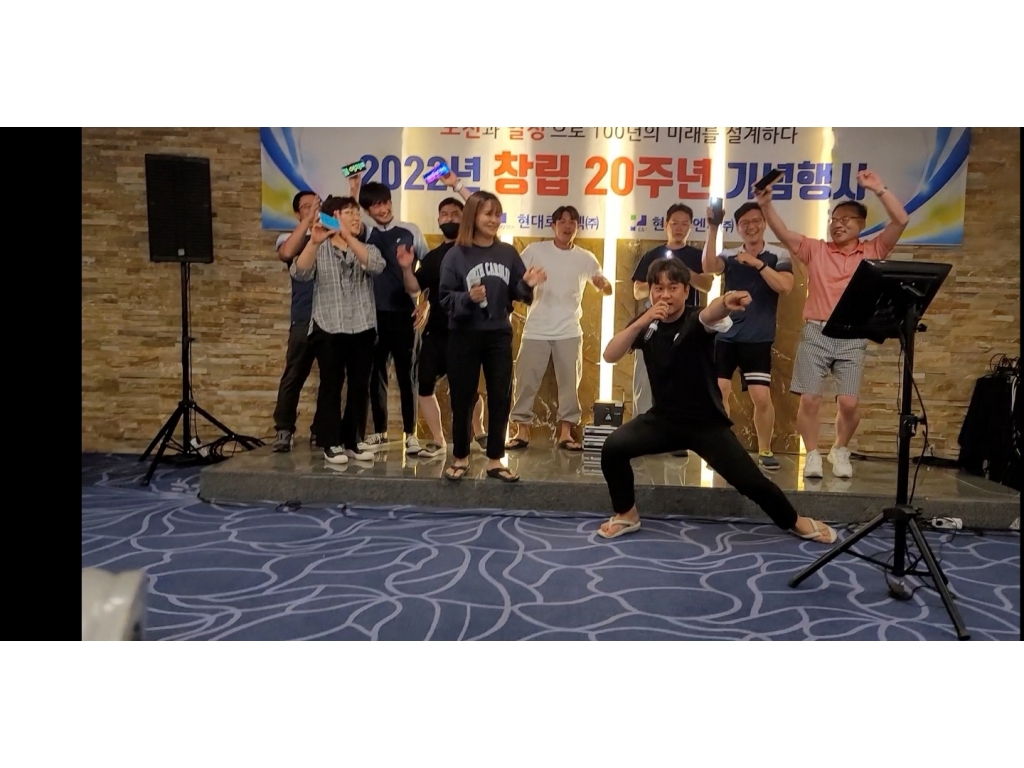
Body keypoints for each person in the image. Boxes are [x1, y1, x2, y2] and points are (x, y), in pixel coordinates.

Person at [597, 258, 837, 544]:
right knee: (613, 448)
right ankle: (627, 514)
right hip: (663, 420)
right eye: (658, 288)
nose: (665, 295)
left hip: (706, 425)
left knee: (751, 482)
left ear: (686, 291)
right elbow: (609, 355)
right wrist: (642, 320)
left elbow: (709, 315)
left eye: (673, 288)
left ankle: (795, 521)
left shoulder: (695, 320)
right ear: (650, 291)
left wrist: (725, 300)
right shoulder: (647, 327)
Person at [755, 169, 909, 479]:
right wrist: (766, 205)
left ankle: (839, 449)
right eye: (834, 219)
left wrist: (879, 188)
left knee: (849, 404)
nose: (837, 224)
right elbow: (783, 233)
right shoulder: (816, 250)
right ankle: (812, 454)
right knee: (810, 399)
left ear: (861, 224)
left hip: (853, 335)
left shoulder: (873, 249)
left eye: (846, 219)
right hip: (817, 331)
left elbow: (901, 220)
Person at [438, 191, 547, 483]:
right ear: (473, 216)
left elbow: (518, 294)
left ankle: (495, 460)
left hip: (498, 334)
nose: (494, 220)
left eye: (497, 214)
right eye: (488, 214)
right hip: (463, 335)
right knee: (463, 397)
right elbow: (445, 298)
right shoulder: (455, 255)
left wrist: (528, 283)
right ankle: (460, 457)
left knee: (500, 395)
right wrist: (468, 298)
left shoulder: (507, 253)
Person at [506, 205, 612, 452]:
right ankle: (521, 430)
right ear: (553, 226)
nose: (567, 226)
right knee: (525, 382)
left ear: (577, 227)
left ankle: (566, 433)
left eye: (572, 222)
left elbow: (607, 289)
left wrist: (603, 284)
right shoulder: (535, 251)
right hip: (536, 329)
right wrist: (529, 281)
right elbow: (515, 281)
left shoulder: (586, 258)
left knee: (569, 385)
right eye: (562, 221)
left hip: (569, 331)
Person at [290, 196, 384, 465]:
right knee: (331, 385)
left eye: (357, 213)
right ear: (334, 217)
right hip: (328, 325)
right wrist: (313, 242)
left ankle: (353, 440)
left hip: (363, 325)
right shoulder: (318, 248)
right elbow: (300, 273)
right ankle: (330, 442)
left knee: (359, 386)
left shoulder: (367, 248)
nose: (356, 217)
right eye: (349, 212)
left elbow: (376, 266)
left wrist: (349, 238)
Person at [701, 202, 794, 471]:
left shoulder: (778, 254)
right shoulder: (730, 255)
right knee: (719, 391)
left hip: (758, 338)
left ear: (764, 223)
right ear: (738, 228)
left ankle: (765, 449)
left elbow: (786, 286)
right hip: (725, 334)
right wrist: (713, 227)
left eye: (756, 221)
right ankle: (721, 449)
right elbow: (708, 266)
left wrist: (757, 264)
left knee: (761, 396)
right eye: (745, 223)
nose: (751, 227)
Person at [399, 184, 486, 459]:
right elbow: (415, 287)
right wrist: (406, 267)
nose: (449, 218)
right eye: (444, 214)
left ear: (465, 218)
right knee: (424, 385)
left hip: (467, 331)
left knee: (468, 389)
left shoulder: (475, 251)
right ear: (438, 220)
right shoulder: (433, 257)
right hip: (436, 333)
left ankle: (479, 431)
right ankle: (438, 441)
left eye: (455, 214)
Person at [348, 175, 429, 456]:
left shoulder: (410, 230)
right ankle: (380, 432)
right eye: (375, 206)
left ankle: (411, 434)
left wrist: (425, 303)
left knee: (408, 375)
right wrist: (354, 189)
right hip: (372, 315)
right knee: (375, 375)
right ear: (367, 210)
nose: (382, 209)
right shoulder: (367, 231)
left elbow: (429, 270)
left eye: (385, 203)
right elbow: (347, 225)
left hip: (405, 313)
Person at [630, 203, 713, 457]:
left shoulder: (697, 255)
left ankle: (679, 438)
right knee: (645, 378)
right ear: (665, 225)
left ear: (691, 227)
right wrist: (659, 282)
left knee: (684, 379)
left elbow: (708, 285)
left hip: (685, 324)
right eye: (674, 223)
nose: (679, 228)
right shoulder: (652, 254)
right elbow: (637, 290)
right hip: (654, 321)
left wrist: (684, 274)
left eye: (684, 223)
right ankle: (644, 435)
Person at [270, 190, 322, 452]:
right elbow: (286, 252)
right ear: (297, 213)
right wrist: (308, 222)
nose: (312, 210)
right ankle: (284, 429)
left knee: (331, 378)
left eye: (316, 205)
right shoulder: (289, 238)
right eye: (305, 207)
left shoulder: (330, 235)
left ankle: (321, 430)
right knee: (293, 375)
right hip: (303, 318)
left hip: (330, 318)